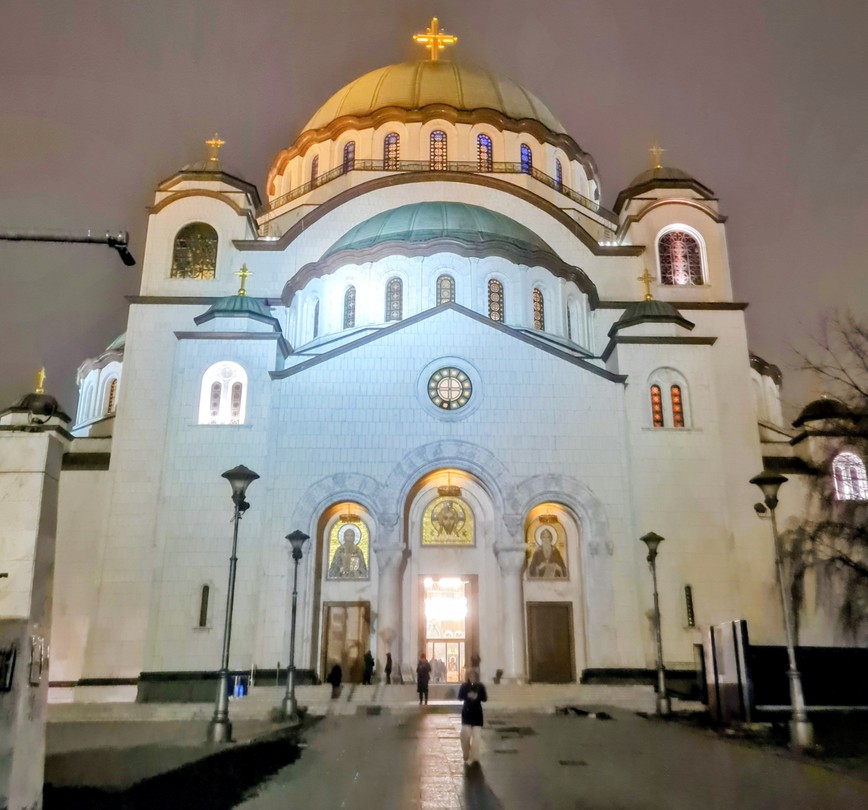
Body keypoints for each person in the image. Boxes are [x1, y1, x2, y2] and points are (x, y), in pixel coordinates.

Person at [458, 669, 488, 766]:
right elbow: (460, 697)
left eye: (474, 676)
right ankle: (466, 753)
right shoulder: (464, 686)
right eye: (470, 676)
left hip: (477, 714)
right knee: (465, 735)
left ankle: (475, 756)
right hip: (467, 714)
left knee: (476, 738)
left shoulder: (480, 686)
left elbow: (485, 698)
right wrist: (467, 695)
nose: (472, 678)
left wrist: (477, 696)